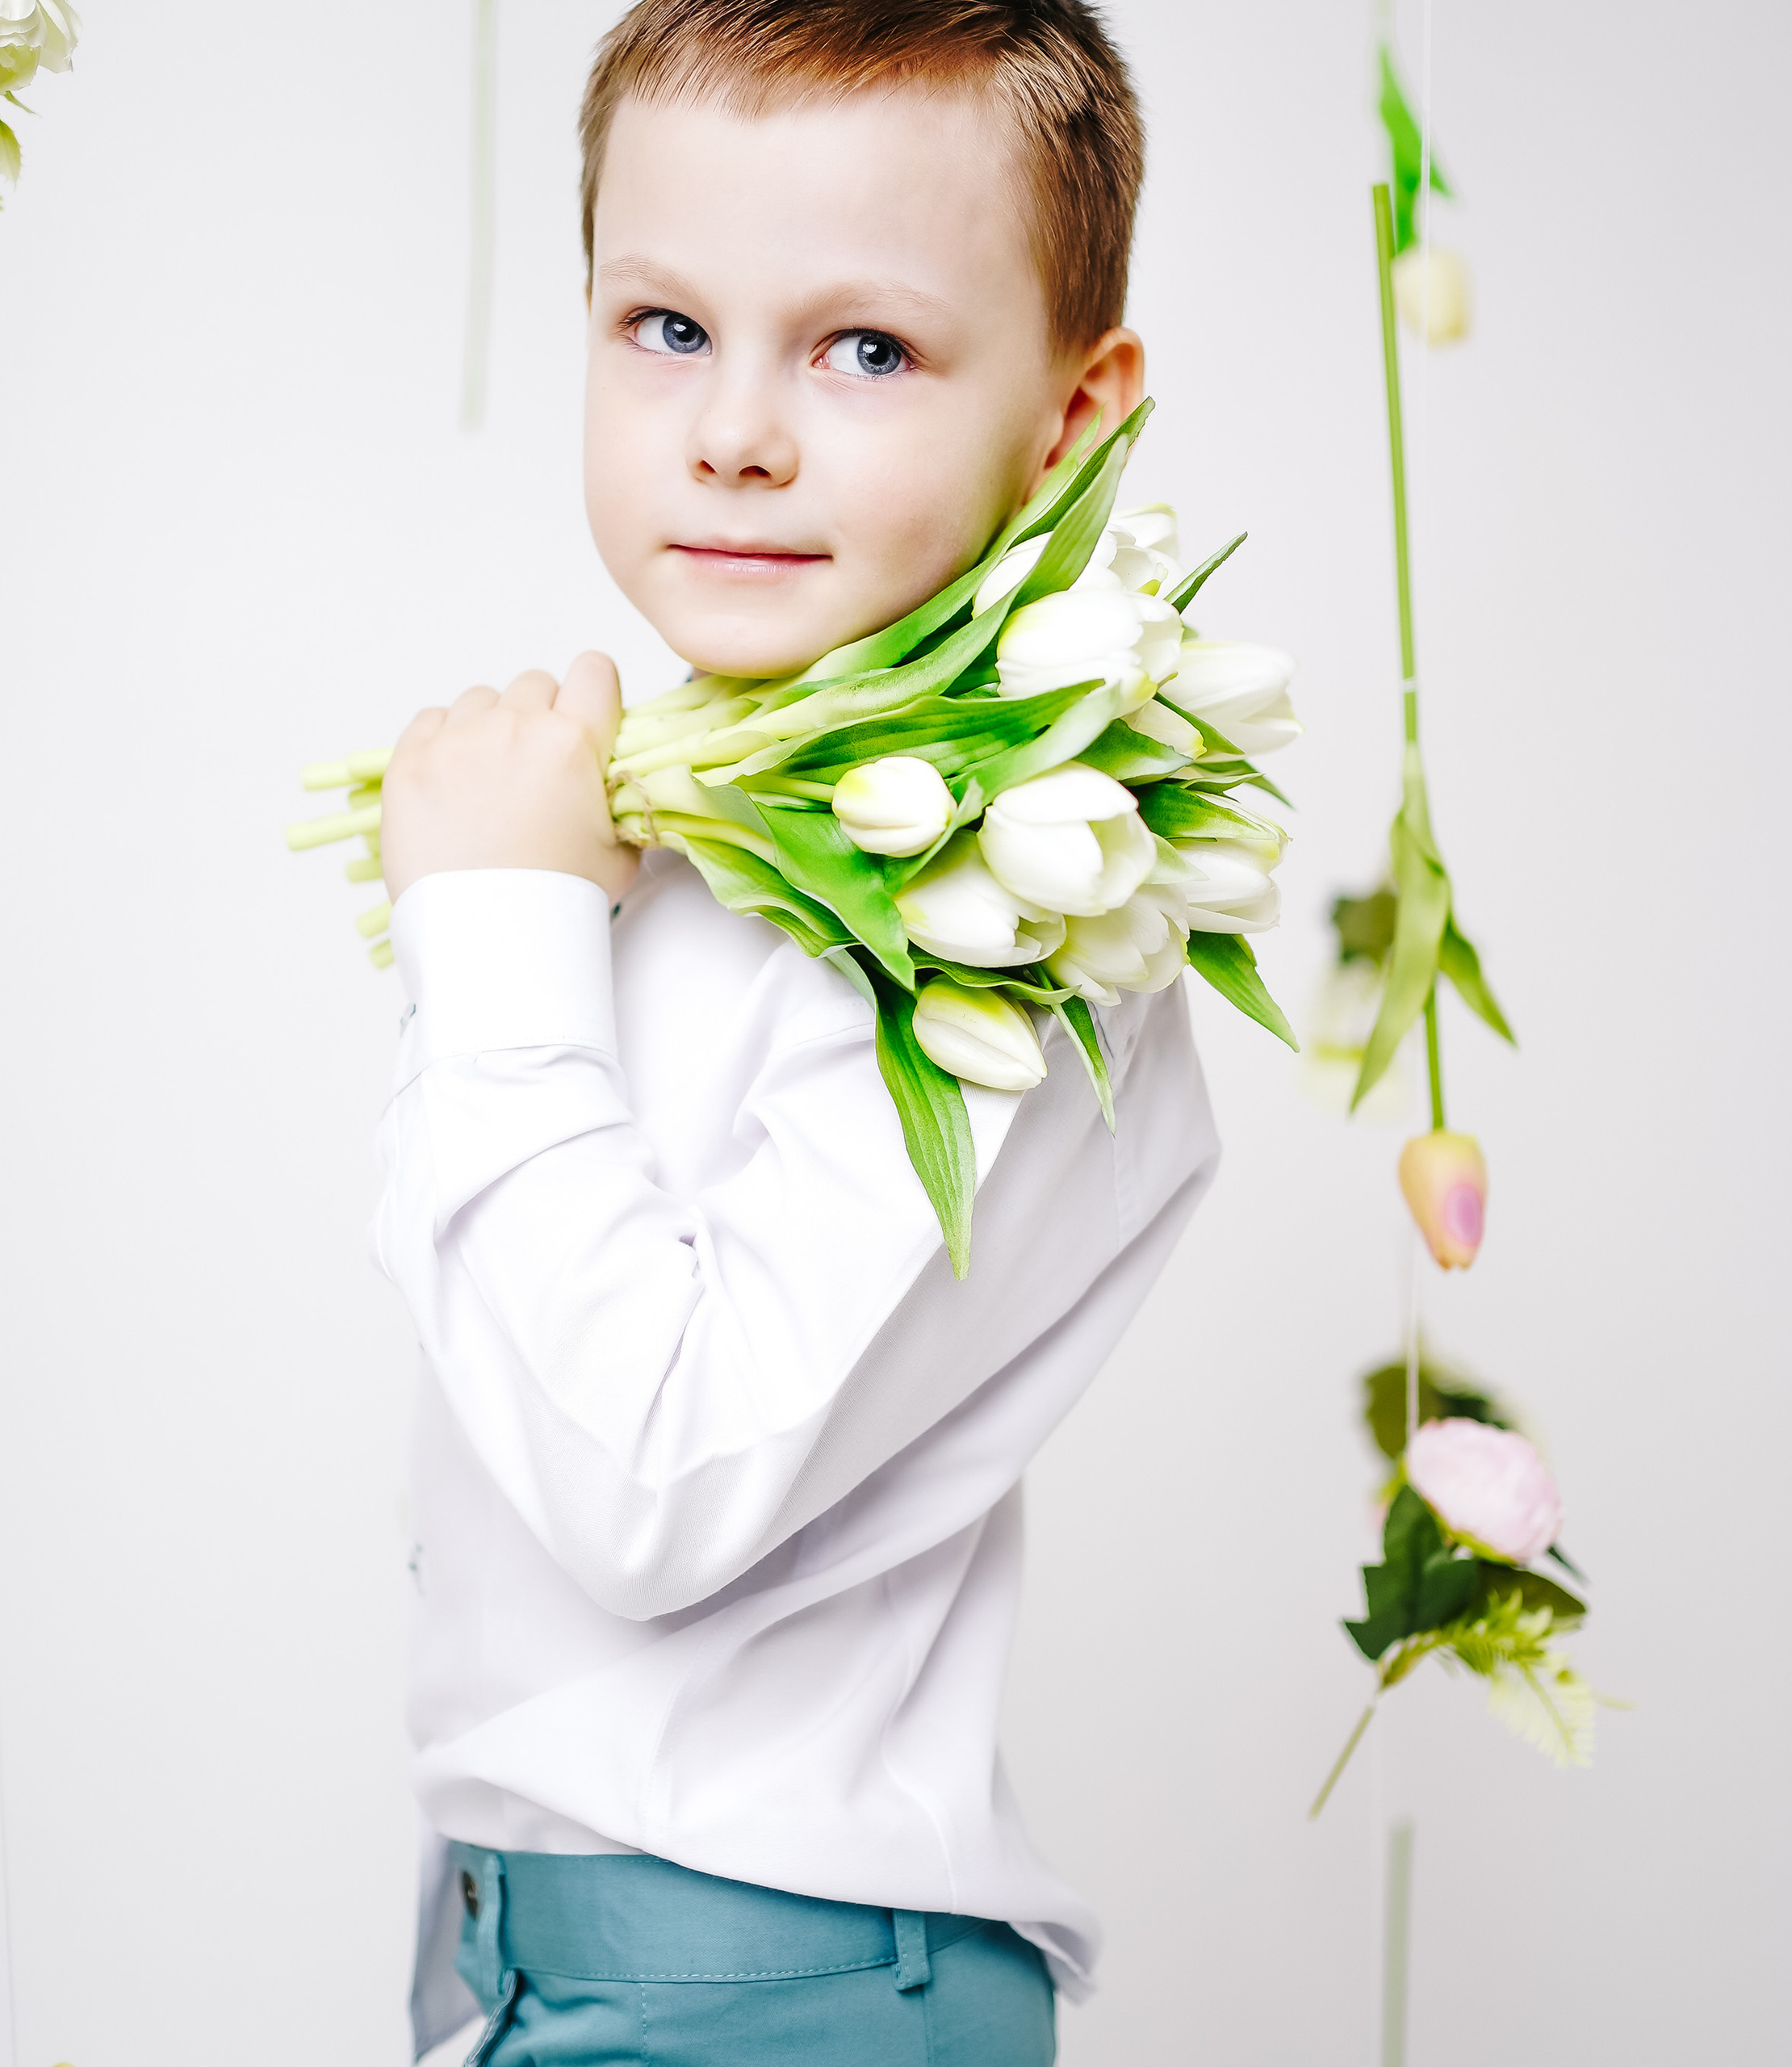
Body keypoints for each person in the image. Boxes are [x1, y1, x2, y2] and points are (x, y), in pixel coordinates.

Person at [376, 4, 1217, 2061]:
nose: (735, 428)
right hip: (520, 1932)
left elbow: (652, 1485)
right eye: (666, 325)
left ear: (1070, 414)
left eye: (866, 350)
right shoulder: (677, 822)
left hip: (776, 1977)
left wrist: (491, 929)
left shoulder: (1030, 904)